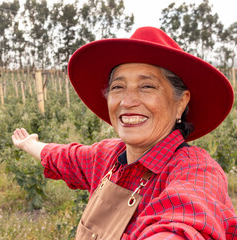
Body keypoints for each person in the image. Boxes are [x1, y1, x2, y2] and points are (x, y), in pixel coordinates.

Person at [12, 27, 237, 239]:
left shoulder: (196, 171)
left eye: (147, 86)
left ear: (181, 102)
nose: (127, 102)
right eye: (118, 87)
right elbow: (66, 157)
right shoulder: (108, 157)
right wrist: (29, 144)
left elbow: (184, 224)